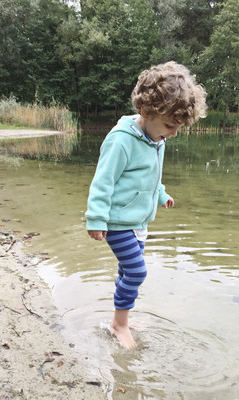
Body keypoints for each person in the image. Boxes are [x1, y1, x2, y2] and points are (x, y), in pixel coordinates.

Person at [85, 61, 207, 348]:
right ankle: (119, 325)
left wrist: (161, 193)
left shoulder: (157, 139)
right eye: (169, 126)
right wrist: (96, 218)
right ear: (146, 112)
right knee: (138, 272)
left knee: (127, 272)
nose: (174, 133)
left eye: (178, 128)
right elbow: (103, 182)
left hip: (139, 222)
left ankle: (121, 318)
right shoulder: (121, 141)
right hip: (116, 222)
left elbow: (149, 177)